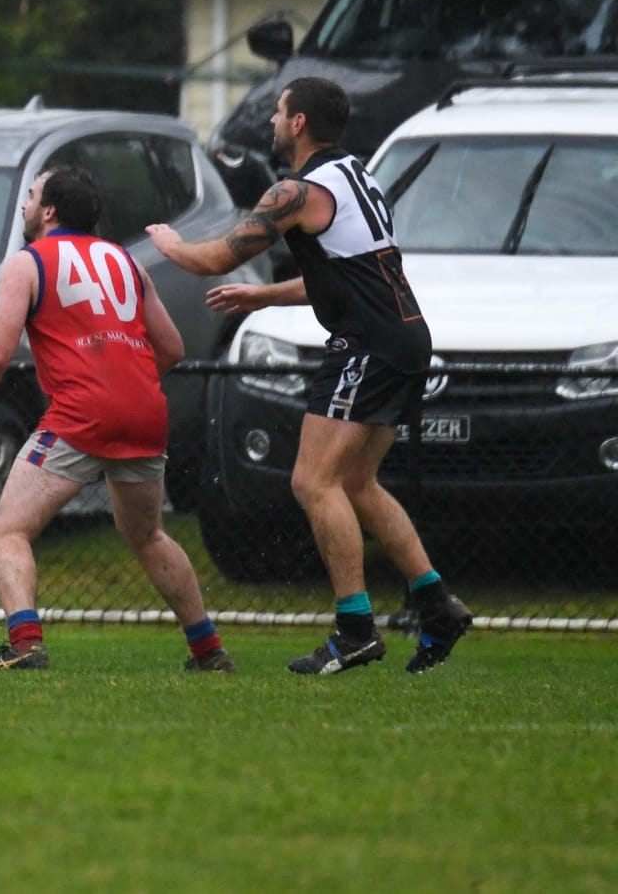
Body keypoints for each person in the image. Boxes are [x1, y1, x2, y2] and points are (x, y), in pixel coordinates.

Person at [146, 77, 473, 675]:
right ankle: (436, 605)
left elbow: (215, 256)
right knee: (356, 483)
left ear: (298, 124)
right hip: (402, 335)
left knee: (312, 481)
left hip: (367, 345)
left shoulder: (295, 192)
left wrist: (169, 244)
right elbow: (346, 276)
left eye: (277, 111)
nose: (271, 121)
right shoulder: (357, 177)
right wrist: (263, 296)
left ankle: (354, 628)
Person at [0, 168, 234, 673]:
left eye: (31, 196)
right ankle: (208, 651)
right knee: (148, 535)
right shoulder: (127, 262)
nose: (25, 205)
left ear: (49, 211)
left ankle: (25, 643)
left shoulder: (28, 263)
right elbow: (172, 348)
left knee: (7, 531)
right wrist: (125, 382)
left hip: (81, 413)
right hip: (144, 411)